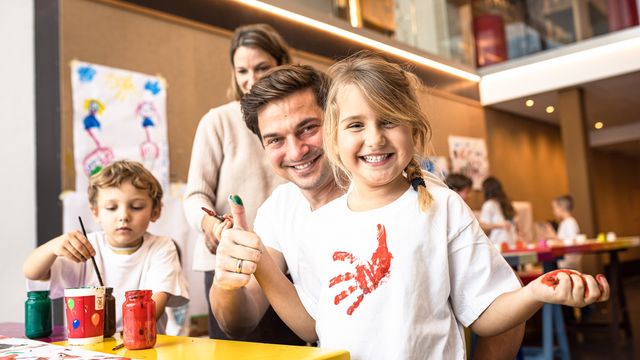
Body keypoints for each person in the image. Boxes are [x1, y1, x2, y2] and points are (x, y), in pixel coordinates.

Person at [228, 53, 609, 359]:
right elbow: (314, 326)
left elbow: (487, 315)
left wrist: (535, 292)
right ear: (333, 136)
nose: (375, 139)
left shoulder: (442, 206)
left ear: (414, 129)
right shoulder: (318, 226)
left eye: (389, 121)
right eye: (356, 125)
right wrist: (259, 259)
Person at [182, 24, 301, 343]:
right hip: (231, 260)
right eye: (242, 71)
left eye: (262, 67)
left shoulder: (297, 120)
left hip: (286, 261)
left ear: (282, 63)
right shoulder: (217, 121)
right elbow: (194, 197)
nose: (252, 79)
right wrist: (210, 225)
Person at [23, 160, 189, 333]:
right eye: (111, 207)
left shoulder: (162, 248)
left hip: (140, 344)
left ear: (155, 211)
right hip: (87, 346)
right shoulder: (86, 247)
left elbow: (154, 306)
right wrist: (52, 247)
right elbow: (32, 273)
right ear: (95, 212)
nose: (123, 216)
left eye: (136, 207)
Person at [480, 176, 517, 249]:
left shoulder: (490, 205)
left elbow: (483, 229)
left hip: (501, 246)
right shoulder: (505, 204)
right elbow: (483, 227)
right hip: (507, 245)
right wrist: (500, 225)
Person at [551, 195, 581, 269]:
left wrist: (558, 242)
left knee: (549, 264)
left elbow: (573, 241)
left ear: (561, 208)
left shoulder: (570, 222)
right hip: (565, 261)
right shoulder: (564, 222)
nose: (554, 211)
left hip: (569, 262)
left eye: (555, 208)